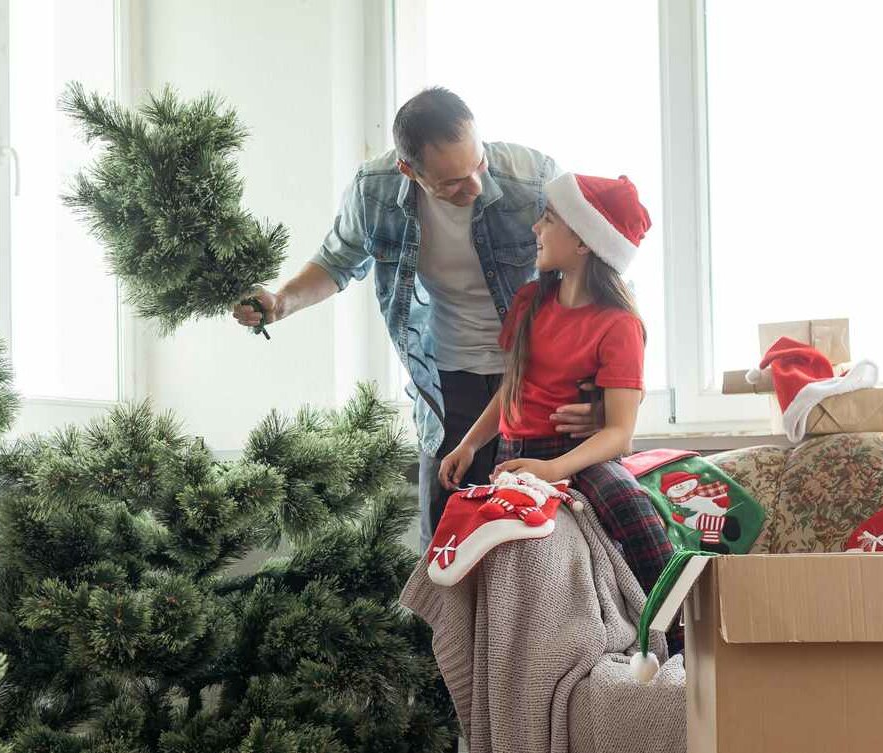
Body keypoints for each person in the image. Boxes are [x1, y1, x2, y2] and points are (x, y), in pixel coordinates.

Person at [233, 87, 598, 549]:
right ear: (410, 170)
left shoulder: (534, 179)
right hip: (447, 385)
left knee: (549, 544)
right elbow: (336, 261)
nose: (475, 187)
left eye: (478, 165)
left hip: (536, 379)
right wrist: (280, 302)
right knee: (449, 549)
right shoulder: (376, 190)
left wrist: (602, 398)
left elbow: (599, 279)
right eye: (452, 183)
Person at [437, 173, 679, 649]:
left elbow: (620, 434)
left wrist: (553, 469)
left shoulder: (619, 325)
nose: (536, 229)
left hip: (574, 453)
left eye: (549, 219)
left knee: (630, 506)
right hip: (514, 451)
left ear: (584, 242)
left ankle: (679, 620)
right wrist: (468, 444)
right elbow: (512, 387)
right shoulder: (532, 302)